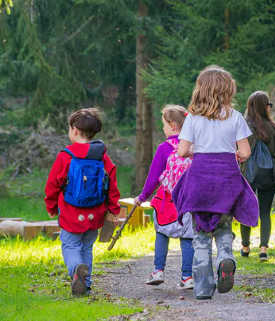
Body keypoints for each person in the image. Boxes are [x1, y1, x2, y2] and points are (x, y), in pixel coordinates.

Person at [172, 66, 259, 300]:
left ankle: (202, 288)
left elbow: (181, 151)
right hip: (226, 179)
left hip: (200, 180)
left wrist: (194, 151)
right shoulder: (235, 116)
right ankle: (225, 258)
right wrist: (236, 155)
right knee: (223, 227)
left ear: (200, 90)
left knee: (200, 236)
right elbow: (246, 151)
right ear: (227, 91)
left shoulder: (193, 119)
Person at [44, 108, 120, 296]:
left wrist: (51, 206)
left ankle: (76, 270)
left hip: (71, 213)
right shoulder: (101, 156)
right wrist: (113, 208)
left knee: (70, 246)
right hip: (95, 213)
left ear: (75, 130)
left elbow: (53, 184)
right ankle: (85, 284)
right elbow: (111, 182)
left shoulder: (66, 156)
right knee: (86, 247)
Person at [134, 105, 195, 289]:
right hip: (189, 199)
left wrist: (143, 196)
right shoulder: (194, 146)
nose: (163, 128)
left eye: (164, 125)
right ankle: (187, 277)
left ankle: (158, 270)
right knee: (187, 237)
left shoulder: (164, 148)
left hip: (166, 201)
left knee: (161, 233)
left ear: (173, 125)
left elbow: (154, 177)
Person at [240, 91, 275, 261]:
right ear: (264, 107)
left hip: (247, 175)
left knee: (246, 209)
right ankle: (263, 249)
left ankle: (245, 246)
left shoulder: (243, 128)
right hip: (268, 175)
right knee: (265, 212)